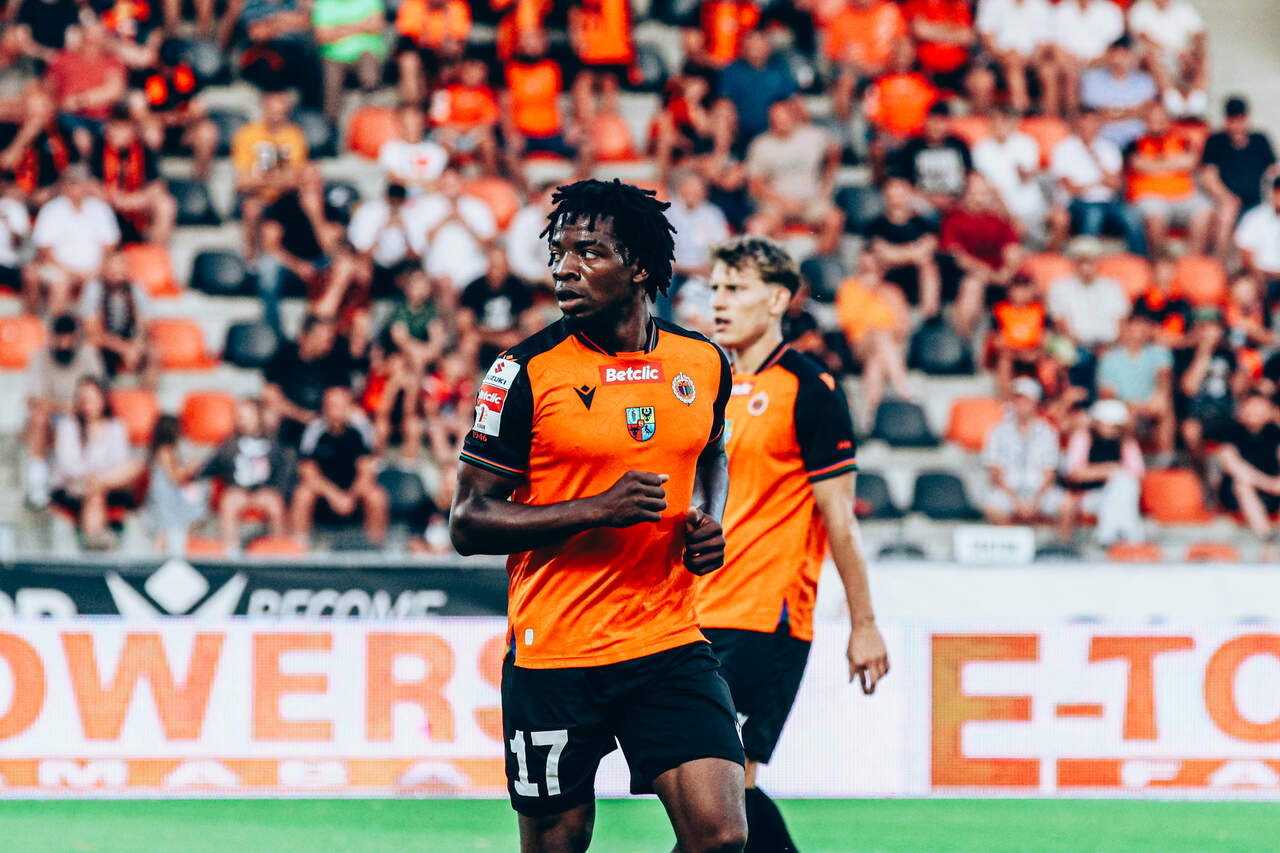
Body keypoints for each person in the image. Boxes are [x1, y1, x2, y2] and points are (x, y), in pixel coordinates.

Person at [449, 179, 746, 852]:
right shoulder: (523, 371)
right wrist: (597, 510)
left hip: (666, 639)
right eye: (558, 252)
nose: (564, 268)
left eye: (589, 251)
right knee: (559, 842)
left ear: (638, 265)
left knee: (721, 835)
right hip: (556, 649)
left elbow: (712, 449)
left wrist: (708, 517)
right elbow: (467, 521)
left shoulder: (701, 361)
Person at [701, 234, 887, 850]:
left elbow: (840, 519)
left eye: (736, 288)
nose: (719, 301)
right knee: (709, 793)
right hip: (694, 612)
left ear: (778, 299)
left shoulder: (808, 387)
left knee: (722, 788)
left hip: (765, 614)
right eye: (716, 288)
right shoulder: (705, 385)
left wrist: (863, 625)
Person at [50, 377, 142, 549]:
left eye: (92, 400)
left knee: (134, 466)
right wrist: (94, 476)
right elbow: (68, 465)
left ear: (102, 400)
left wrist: (98, 477)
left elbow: (120, 462)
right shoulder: (68, 426)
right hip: (74, 486)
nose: (88, 405)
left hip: (106, 482)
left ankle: (94, 538)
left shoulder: (116, 427)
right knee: (95, 489)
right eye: (84, 400)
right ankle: (95, 537)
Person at [24, 315, 105, 509]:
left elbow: (98, 394)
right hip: (53, 416)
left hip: (83, 413)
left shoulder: (88, 356)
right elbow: (35, 400)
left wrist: (76, 408)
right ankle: (37, 483)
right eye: (59, 339)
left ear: (76, 338)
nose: (63, 345)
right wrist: (68, 407)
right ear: (51, 337)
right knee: (38, 418)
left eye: (68, 339)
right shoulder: (40, 357)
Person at [743, 101, 843, 255]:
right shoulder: (760, 144)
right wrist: (783, 201)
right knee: (757, 228)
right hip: (776, 202)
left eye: (784, 116)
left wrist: (827, 185)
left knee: (834, 220)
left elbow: (835, 152)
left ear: (794, 116)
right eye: (776, 118)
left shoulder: (813, 136)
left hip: (810, 200)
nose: (781, 121)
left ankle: (816, 261)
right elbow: (756, 185)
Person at [293, 386, 389, 546]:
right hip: (324, 492)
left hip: (354, 492)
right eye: (332, 406)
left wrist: (350, 497)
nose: (335, 411)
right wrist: (334, 495)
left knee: (377, 497)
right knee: (302, 494)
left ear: (349, 407)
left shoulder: (361, 429)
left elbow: (367, 472)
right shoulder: (314, 430)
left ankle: (376, 547)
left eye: (340, 406)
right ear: (324, 407)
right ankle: (300, 547)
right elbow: (308, 471)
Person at [25, 164, 121, 316]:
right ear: (65, 186)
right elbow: (45, 250)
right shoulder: (51, 210)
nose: (80, 188)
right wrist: (70, 272)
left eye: (82, 183)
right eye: (75, 183)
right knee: (60, 283)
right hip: (59, 268)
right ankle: (59, 328)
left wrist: (96, 270)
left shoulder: (101, 209)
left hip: (96, 269)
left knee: (111, 276)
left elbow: (110, 245)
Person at [1048, 108, 1147, 255]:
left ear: (1099, 124)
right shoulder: (1064, 148)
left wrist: (1096, 160)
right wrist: (1098, 182)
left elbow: (1116, 184)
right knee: (1093, 214)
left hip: (1108, 202)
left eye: (1093, 122)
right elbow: (1072, 188)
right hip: (1077, 204)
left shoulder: (1109, 148)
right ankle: (1086, 261)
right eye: (1085, 122)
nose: (1089, 127)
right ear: (1078, 124)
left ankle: (1140, 260)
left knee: (1131, 216)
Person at [200, 398, 291, 553]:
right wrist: (195, 471)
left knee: (275, 504)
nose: (241, 420)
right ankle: (231, 548)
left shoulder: (273, 443)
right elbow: (211, 466)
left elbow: (282, 471)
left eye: (246, 416)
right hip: (238, 490)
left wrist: (275, 490)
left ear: (258, 417)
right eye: (238, 416)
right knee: (229, 501)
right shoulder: (229, 444)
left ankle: (278, 546)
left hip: (265, 490)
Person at [1126, 102, 1215, 258]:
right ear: (1145, 121)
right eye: (1153, 119)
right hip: (1150, 196)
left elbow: (1190, 162)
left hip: (1183, 196)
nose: (1157, 123)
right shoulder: (1135, 143)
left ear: (1168, 121)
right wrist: (1174, 164)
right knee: (1156, 216)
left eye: (1161, 119)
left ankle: (1191, 261)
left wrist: (1155, 165)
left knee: (1204, 209)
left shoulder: (1182, 141)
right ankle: (1158, 263)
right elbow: (1139, 164)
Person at [834, 254, 914, 421]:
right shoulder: (850, 288)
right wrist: (866, 293)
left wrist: (885, 296)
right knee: (879, 334)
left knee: (875, 362)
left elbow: (904, 327)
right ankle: (902, 386)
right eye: (865, 269)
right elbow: (847, 322)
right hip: (859, 345)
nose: (869, 273)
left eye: (872, 269)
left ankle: (872, 416)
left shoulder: (893, 291)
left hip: (890, 346)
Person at [943, 173, 1024, 337]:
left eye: (983, 193)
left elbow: (1013, 250)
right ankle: (964, 338)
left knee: (1026, 284)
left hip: (1001, 276)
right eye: (974, 193)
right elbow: (956, 256)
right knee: (973, 284)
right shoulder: (954, 219)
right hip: (969, 276)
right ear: (965, 195)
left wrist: (1007, 271)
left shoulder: (998, 220)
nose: (978, 198)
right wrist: (988, 273)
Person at [1060, 398, 1146, 545]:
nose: (1109, 429)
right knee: (1121, 485)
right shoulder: (1083, 438)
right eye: (1106, 423)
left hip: (1115, 495)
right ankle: (1125, 537)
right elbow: (1075, 473)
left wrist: (1110, 474)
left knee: (1123, 485)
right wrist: (1109, 469)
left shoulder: (1126, 442)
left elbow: (1137, 474)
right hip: (1086, 496)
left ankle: (1110, 535)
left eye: (1114, 425)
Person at [89, 103, 177, 245]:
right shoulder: (99, 146)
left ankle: (155, 251)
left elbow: (157, 184)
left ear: (133, 130)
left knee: (165, 205)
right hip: (108, 201)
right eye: (114, 127)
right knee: (91, 202)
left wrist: (136, 200)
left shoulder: (143, 148)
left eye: (123, 128)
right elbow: (90, 182)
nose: (117, 133)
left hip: (135, 203)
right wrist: (112, 197)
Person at [263, 314, 356, 447]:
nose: (329, 343)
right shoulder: (284, 355)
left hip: (325, 421)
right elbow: (270, 396)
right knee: (270, 414)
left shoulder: (335, 360)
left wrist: (323, 417)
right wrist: (301, 415)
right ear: (306, 336)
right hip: (290, 417)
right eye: (325, 338)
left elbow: (343, 396)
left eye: (330, 339)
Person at [982, 377, 1063, 525]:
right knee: (993, 507)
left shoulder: (1048, 432)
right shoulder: (997, 431)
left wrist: (1036, 501)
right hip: (1009, 491)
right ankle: (1011, 538)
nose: (1021, 404)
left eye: (1026, 400)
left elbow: (1049, 473)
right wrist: (1016, 501)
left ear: (1035, 403)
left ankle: (1062, 540)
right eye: (1017, 399)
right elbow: (996, 473)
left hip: (1039, 491)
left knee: (1067, 506)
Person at [1200, 97, 1277, 251]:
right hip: (1224, 202)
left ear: (1247, 118)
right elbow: (1208, 177)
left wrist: (1272, 198)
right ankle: (1220, 262)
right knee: (1227, 213)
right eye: (1232, 120)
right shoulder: (1215, 141)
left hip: (1257, 203)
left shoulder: (1260, 140)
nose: (1236, 125)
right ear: (1226, 120)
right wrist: (1227, 197)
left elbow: (1274, 170)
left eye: (1240, 119)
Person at [1096, 315, 1176, 458]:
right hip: (1124, 406)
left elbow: (1164, 379)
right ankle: (1129, 459)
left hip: (1149, 406)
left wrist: (1157, 398)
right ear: (1126, 330)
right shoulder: (1110, 358)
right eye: (1135, 329)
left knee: (1165, 408)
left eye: (1143, 329)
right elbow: (1107, 393)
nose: (1139, 334)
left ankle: (1165, 457)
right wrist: (1130, 406)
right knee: (1126, 415)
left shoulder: (1158, 352)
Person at [867, 177, 943, 318]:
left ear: (910, 191)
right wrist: (913, 253)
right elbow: (882, 254)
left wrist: (896, 254)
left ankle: (929, 318)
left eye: (900, 188)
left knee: (929, 267)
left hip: (916, 278)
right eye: (892, 189)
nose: (896, 194)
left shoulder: (924, 223)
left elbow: (928, 249)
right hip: (889, 278)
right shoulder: (876, 225)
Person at [80, 251, 156, 386]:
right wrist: (124, 348)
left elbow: (145, 325)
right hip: (104, 344)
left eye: (121, 269)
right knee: (89, 348)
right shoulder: (94, 288)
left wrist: (137, 345)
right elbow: (93, 331)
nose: (117, 275)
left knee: (153, 352)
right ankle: (98, 390)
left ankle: (147, 393)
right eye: (113, 270)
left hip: (129, 339)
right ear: (104, 269)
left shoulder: (136, 289)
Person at [973, 106, 1047, 243]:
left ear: (1011, 122)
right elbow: (989, 188)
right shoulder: (981, 149)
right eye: (993, 120)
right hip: (999, 210)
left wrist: (1026, 173)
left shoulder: (1026, 143)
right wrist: (1011, 216)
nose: (997, 125)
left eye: (1002, 121)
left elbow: (1028, 176)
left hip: (1031, 207)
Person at [1216, 392, 1280, 542]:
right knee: (1242, 484)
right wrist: (1270, 484)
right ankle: (1266, 536)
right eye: (1251, 405)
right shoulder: (1230, 430)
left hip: (1270, 493)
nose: (1255, 411)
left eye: (1260, 406)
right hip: (1237, 496)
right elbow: (1231, 464)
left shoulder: (1274, 432)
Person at [717, 29, 796, 147]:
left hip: (773, 133)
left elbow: (792, 100)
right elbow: (725, 103)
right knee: (722, 112)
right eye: (751, 43)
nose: (755, 47)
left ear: (768, 47)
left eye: (759, 43)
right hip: (740, 132)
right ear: (743, 47)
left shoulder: (780, 70)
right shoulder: (731, 71)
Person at [1128, 0, 1207, 118]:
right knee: (1152, 54)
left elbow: (1200, 34)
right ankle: (1172, 99)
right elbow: (1144, 38)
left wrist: (1193, 50)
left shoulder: (1183, 8)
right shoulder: (1140, 9)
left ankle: (1197, 99)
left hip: (1181, 58)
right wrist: (1175, 53)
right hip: (1152, 60)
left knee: (1204, 53)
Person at [142, 414, 208, 555]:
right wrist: (189, 468)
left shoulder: (168, 451)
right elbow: (173, 477)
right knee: (165, 531)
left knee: (175, 530)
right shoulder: (165, 451)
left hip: (172, 498)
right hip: (166, 499)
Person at [1047, 0, 1125, 118]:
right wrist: (1074, 63)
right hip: (1069, 64)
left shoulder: (1110, 11)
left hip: (1101, 63)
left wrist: (1088, 63)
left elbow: (1115, 48)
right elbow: (1055, 46)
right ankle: (1068, 119)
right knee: (1066, 74)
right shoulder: (1061, 10)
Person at [312, 0, 386, 122]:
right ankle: (331, 121)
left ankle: (373, 110)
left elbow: (377, 24)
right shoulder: (324, 3)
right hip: (334, 56)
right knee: (331, 81)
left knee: (368, 69)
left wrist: (340, 29)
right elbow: (322, 36)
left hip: (366, 52)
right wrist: (360, 26)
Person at [975, 0, 1054, 114]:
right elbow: (987, 37)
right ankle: (1021, 113)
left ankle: (1050, 118)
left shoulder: (1040, 4)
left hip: (1031, 61)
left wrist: (1028, 58)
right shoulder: (991, 2)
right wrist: (1004, 55)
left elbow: (1044, 42)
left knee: (1049, 72)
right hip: (997, 60)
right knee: (1012, 62)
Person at [893, 102, 972, 215]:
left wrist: (955, 200)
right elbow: (906, 182)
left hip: (957, 202)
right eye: (933, 120)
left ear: (949, 123)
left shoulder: (959, 145)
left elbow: (969, 176)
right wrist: (931, 199)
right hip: (923, 203)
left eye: (941, 121)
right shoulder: (913, 147)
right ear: (925, 121)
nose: (936, 126)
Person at [1080, 35, 1158, 150]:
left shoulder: (1144, 81)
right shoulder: (1092, 79)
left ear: (1133, 56)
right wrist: (1131, 112)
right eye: (1116, 53)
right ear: (1108, 54)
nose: (1120, 60)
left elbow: (1146, 111)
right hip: (1102, 141)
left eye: (1125, 54)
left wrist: (1113, 112)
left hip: (1137, 141)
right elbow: (1095, 113)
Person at [376, 103, 448, 195]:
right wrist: (421, 183)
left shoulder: (437, 151)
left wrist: (408, 181)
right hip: (400, 199)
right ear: (399, 124)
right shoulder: (389, 149)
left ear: (423, 124)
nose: (412, 128)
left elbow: (435, 182)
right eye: (407, 123)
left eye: (416, 123)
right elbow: (394, 179)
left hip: (429, 197)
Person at [1235, 176, 1280, 290]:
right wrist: (1258, 278)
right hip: (1261, 278)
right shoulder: (1255, 217)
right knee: (1244, 289)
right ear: (1274, 193)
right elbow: (1246, 256)